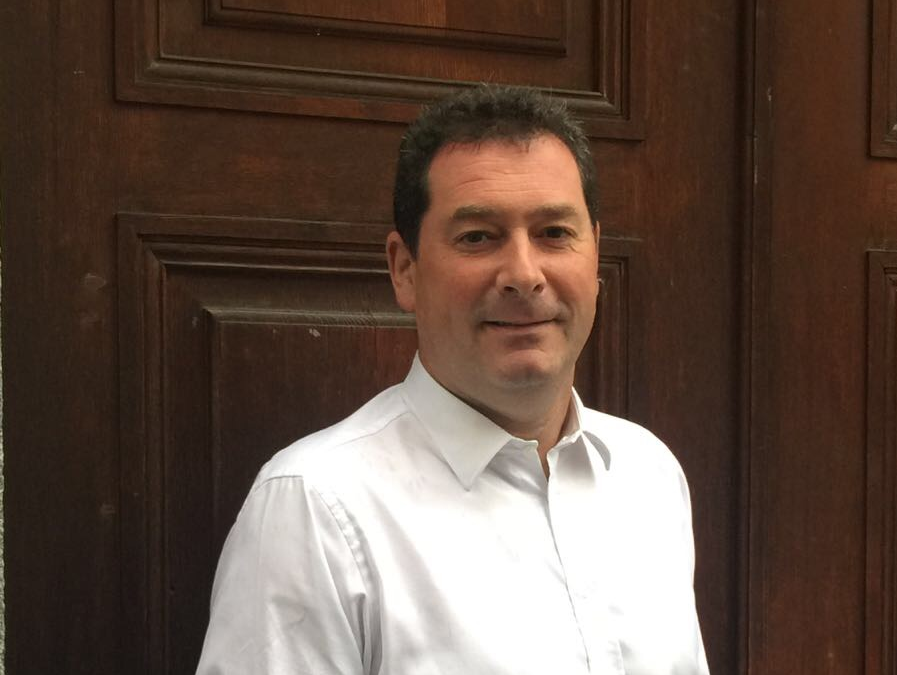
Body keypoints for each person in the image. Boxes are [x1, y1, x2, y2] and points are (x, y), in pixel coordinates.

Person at [196, 84, 710, 675]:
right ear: (405, 270)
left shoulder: (646, 476)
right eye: (478, 237)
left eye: (554, 232)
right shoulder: (316, 509)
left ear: (595, 254)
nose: (524, 274)